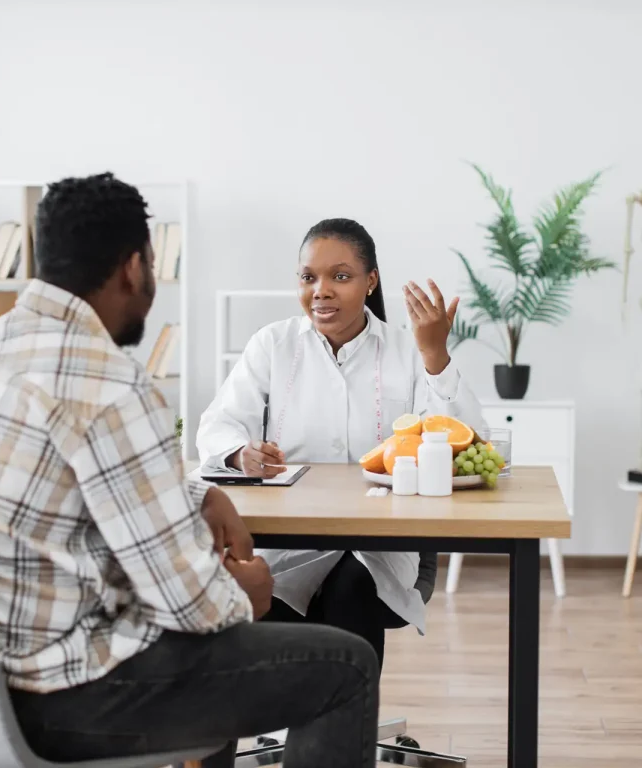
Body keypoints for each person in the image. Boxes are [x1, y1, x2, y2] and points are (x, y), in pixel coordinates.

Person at [0, 178, 380, 768]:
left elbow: (78, 469)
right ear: (134, 267)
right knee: (346, 665)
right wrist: (252, 591)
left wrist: (196, 494)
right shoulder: (108, 383)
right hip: (63, 697)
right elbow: (192, 607)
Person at [197, 218, 485, 669]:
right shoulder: (273, 344)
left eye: (341, 276)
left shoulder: (407, 348)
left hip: (379, 545)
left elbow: (462, 442)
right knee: (267, 588)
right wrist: (240, 451)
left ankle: (341, 733)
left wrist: (435, 356)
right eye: (309, 277)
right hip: (290, 541)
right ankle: (315, 730)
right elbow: (220, 424)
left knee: (351, 584)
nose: (321, 290)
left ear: (371, 282)